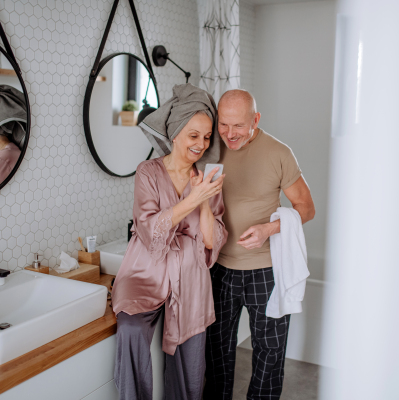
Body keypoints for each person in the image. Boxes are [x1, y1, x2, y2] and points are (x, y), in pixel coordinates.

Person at [111, 83, 228, 400]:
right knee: (131, 332)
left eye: (206, 137)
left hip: (190, 275)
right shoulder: (147, 172)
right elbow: (150, 230)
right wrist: (192, 200)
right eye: (194, 136)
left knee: (190, 368)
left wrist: (203, 198)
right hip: (146, 272)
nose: (201, 145)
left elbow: (210, 239)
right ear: (175, 133)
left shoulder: (206, 177)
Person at [203, 89, 315, 400]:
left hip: (267, 270)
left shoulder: (279, 153)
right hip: (220, 269)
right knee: (216, 351)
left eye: (238, 126)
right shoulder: (210, 149)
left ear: (256, 119)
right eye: (223, 124)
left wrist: (269, 228)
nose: (229, 134)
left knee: (270, 352)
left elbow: (306, 207)